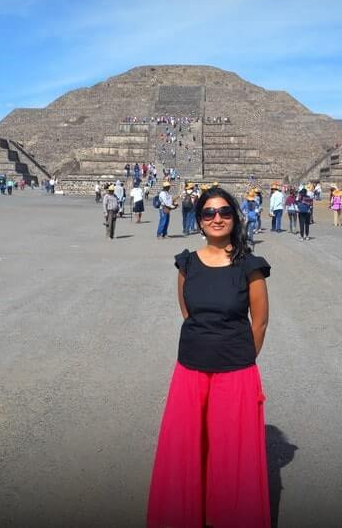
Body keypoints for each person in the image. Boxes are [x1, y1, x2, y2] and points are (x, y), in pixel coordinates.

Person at [147, 186, 271, 528]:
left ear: (234, 217)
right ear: (199, 220)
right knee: (186, 450)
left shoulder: (250, 266)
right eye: (209, 213)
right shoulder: (187, 263)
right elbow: (187, 311)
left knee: (231, 453)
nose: (217, 218)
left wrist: (237, 355)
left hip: (235, 371)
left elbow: (259, 321)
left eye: (225, 212)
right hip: (190, 368)